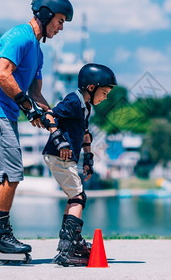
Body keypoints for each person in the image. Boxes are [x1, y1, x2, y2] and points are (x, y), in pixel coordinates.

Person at [0, 0, 73, 257]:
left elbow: (36, 94)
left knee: (6, 174)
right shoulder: (19, 37)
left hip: (5, 114)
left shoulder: (37, 52)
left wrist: (53, 118)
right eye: (60, 21)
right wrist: (28, 109)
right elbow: (2, 75)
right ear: (46, 14)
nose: (61, 28)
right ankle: (0, 235)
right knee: (11, 173)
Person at [40, 63, 117, 266]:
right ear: (91, 88)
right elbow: (49, 116)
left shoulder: (85, 107)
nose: (106, 97)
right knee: (78, 197)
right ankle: (69, 249)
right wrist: (60, 141)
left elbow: (85, 135)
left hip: (66, 158)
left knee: (74, 196)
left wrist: (89, 159)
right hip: (59, 155)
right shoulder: (73, 100)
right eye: (105, 92)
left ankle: (68, 245)